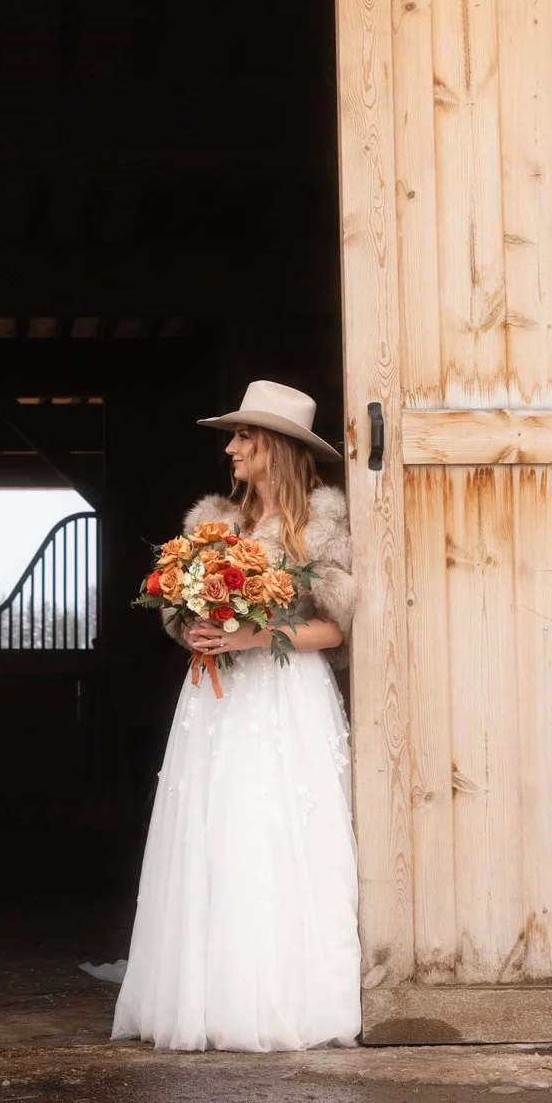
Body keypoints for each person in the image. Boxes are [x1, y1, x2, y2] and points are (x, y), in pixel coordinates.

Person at [112, 380, 363, 1052]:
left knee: (275, 836)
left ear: (274, 447)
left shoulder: (323, 525)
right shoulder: (212, 525)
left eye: (244, 436)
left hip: (285, 699)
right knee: (212, 836)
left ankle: (285, 1000)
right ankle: (210, 996)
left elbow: (334, 630)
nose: (231, 448)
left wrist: (256, 637)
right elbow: (179, 607)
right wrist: (193, 628)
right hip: (215, 702)